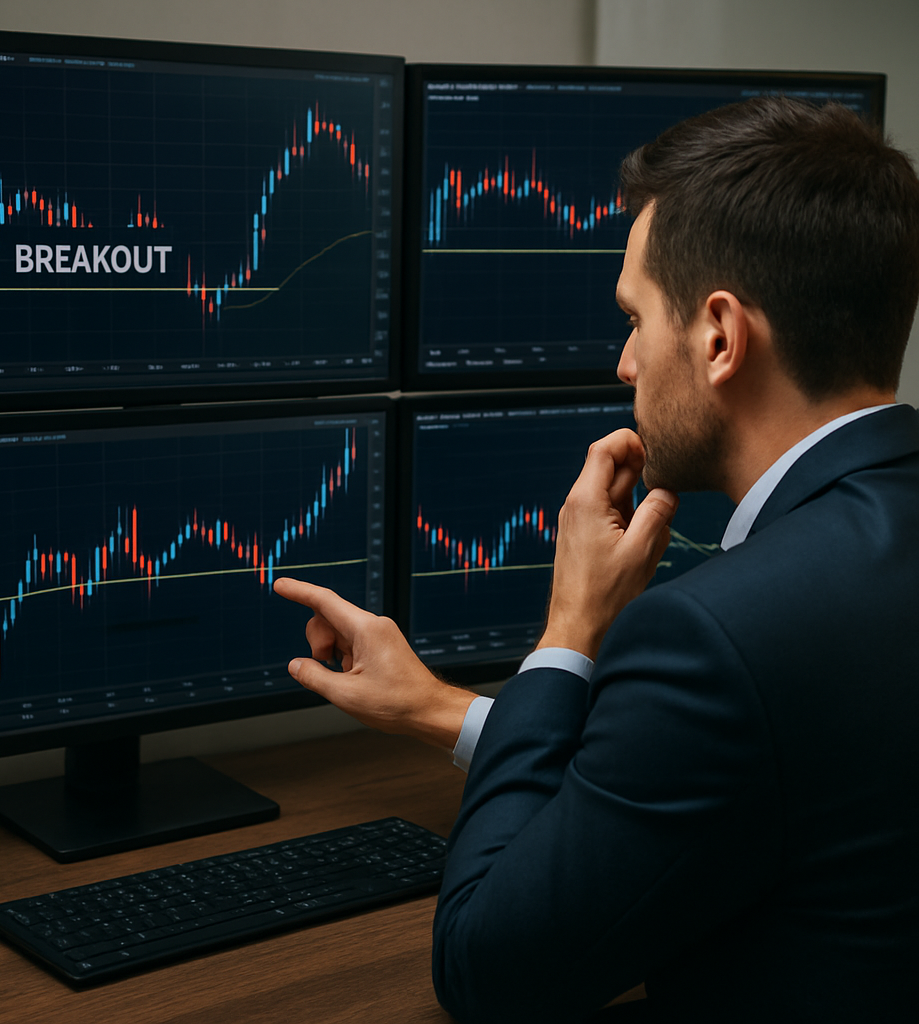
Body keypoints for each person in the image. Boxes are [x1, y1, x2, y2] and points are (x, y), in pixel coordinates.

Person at [273, 95, 919, 1022]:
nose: (624, 362)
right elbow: (753, 772)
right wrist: (445, 713)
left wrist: (568, 634)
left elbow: (486, 971)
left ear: (720, 336)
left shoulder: (715, 637)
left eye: (636, 317)